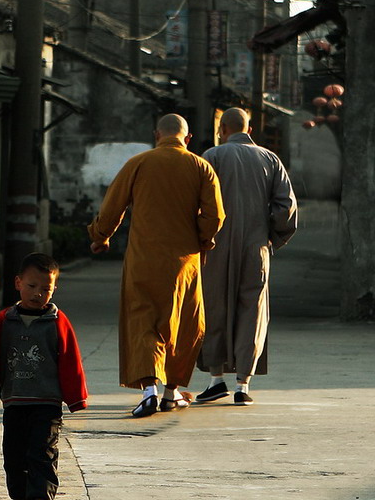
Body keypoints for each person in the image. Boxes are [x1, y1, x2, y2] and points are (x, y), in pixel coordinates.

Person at [88, 113, 226, 417]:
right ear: (187, 139)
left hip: (143, 259)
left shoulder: (139, 163)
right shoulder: (201, 166)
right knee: (183, 323)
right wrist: (204, 239)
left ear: (156, 135)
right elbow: (215, 216)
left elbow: (112, 206)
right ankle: (171, 391)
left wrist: (101, 236)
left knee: (143, 321)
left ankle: (149, 390)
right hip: (184, 262)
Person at [195, 107, 297, 406]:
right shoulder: (270, 159)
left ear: (222, 129)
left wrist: (200, 237)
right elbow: (286, 208)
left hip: (214, 247)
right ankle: (243, 384)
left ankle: (216, 379)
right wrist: (271, 238)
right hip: (256, 246)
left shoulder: (210, 157)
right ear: (249, 130)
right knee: (252, 311)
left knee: (214, 306)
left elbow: (196, 204)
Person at [0, 253, 88, 500]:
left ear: (54, 288)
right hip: (14, 400)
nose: (38, 294)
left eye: (45, 288)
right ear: (18, 283)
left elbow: (70, 360)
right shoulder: (4, 320)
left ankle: (42, 499)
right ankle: (18, 497)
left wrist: (75, 398)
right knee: (13, 452)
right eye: (32, 286)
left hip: (47, 401)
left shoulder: (58, 322)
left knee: (43, 451)